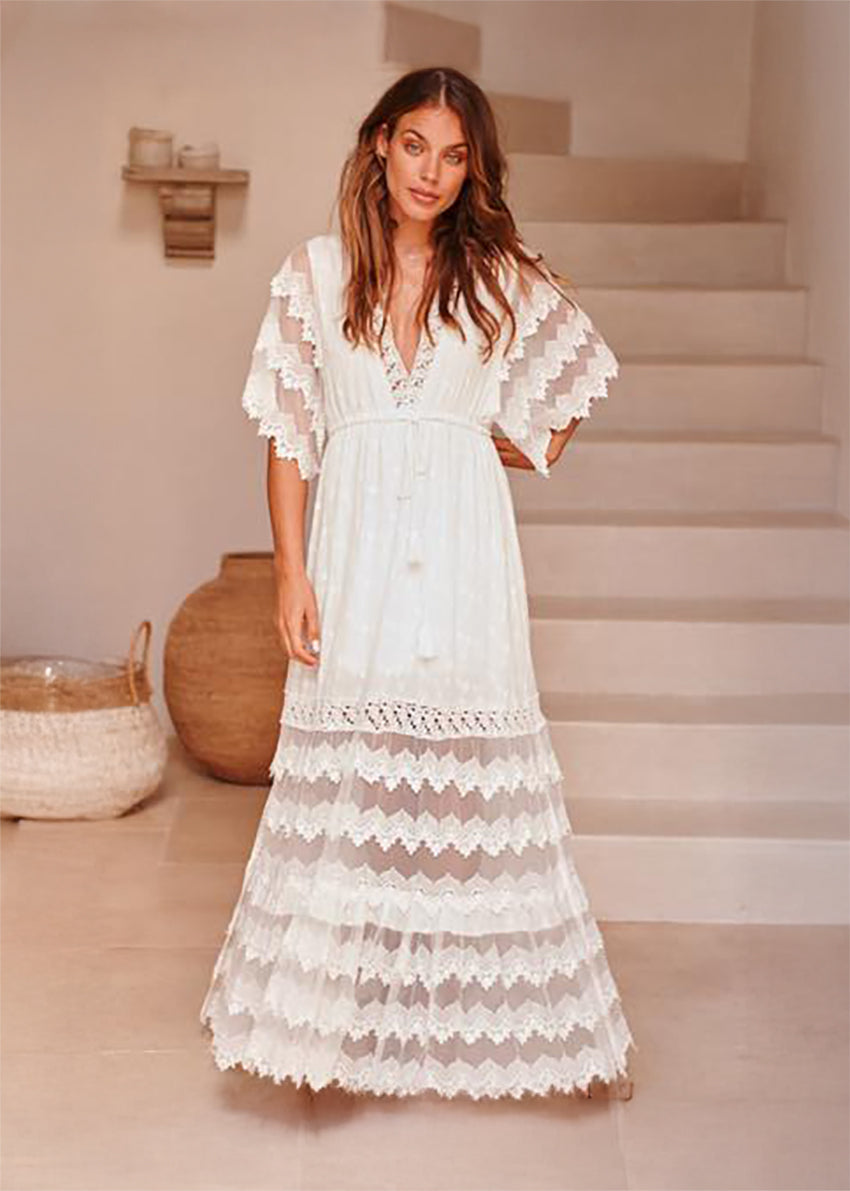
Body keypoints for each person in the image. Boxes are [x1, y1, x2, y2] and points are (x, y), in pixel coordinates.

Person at [199, 66, 637, 1102]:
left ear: (473, 170)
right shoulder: (312, 273)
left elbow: (566, 405)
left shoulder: (495, 278)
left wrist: (470, 446)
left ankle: (507, 1026)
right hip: (348, 555)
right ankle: (321, 1031)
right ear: (378, 147)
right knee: (349, 783)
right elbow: (288, 437)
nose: (431, 173)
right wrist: (289, 576)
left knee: (452, 790)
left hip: (460, 557)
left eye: (454, 155)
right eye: (413, 147)